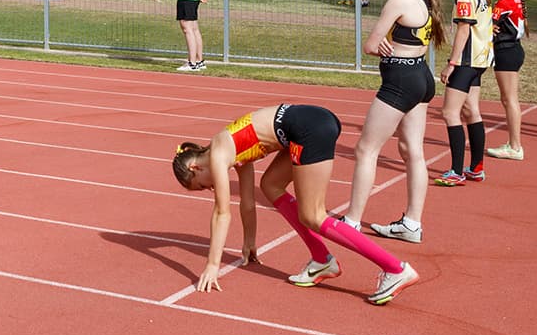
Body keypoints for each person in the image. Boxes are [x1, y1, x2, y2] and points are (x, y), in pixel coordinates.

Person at [170, 103, 420, 304]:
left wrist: (212, 266)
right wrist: (249, 242)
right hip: (308, 123)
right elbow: (247, 202)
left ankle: (395, 268)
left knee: (313, 215)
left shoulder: (218, 153)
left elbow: (221, 212)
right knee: (270, 185)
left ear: (195, 167)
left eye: (203, 185)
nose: (211, 187)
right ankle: (322, 260)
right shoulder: (231, 152)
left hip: (308, 127)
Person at [341, 0, 439, 246]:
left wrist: (380, 44)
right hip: (421, 75)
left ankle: (352, 221)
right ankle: (412, 222)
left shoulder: (399, 2)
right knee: (413, 152)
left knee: (366, 150)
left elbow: (370, 45)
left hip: (400, 78)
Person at [431, 0, 494, 186]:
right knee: (471, 111)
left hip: (467, 60)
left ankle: (456, 170)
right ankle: (476, 167)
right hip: (480, 59)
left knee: (450, 112)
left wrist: (452, 63)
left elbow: (464, 29)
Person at [484, 0, 528, 161]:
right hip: (509, 50)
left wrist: (486, 26)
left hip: (507, 51)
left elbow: (487, 25)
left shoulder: (506, 2)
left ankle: (515, 146)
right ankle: (513, 143)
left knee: (510, 100)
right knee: (508, 99)